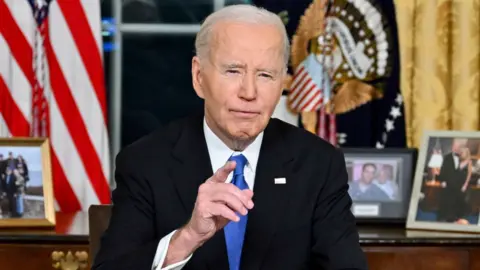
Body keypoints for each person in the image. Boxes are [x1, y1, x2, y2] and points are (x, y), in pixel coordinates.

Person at [93, 5, 367, 270]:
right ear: (199, 77)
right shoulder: (146, 162)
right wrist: (188, 237)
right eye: (233, 71)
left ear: (282, 82)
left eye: (265, 75)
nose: (249, 92)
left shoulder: (319, 164)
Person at [437, 140, 472, 222]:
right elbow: (443, 170)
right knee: (447, 201)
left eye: (458, 147)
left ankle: (455, 218)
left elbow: (468, 175)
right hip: (449, 184)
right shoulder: (447, 157)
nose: (456, 148)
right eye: (455, 146)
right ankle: (444, 218)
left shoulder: (466, 160)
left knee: (457, 202)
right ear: (452, 147)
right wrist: (442, 181)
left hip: (460, 184)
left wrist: (465, 185)